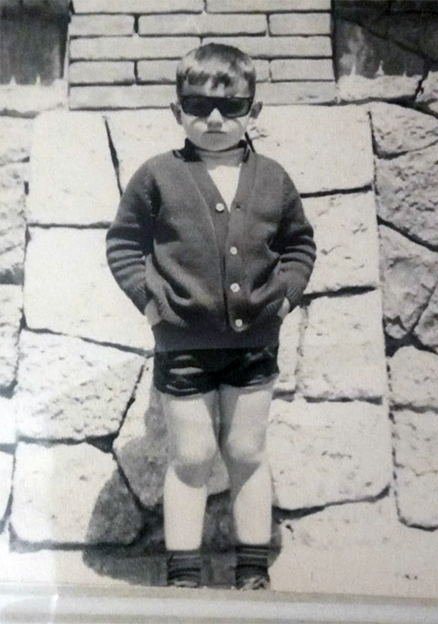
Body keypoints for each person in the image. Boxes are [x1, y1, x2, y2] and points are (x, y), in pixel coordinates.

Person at [106, 43, 316, 590]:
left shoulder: (273, 178)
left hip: (254, 346)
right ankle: (183, 576)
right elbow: (124, 244)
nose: (215, 118)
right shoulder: (157, 176)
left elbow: (299, 245)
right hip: (183, 348)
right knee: (192, 457)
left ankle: (252, 571)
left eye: (232, 106)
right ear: (177, 111)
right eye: (198, 107)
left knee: (247, 452)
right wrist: (151, 303)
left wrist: (285, 299)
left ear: (254, 110)